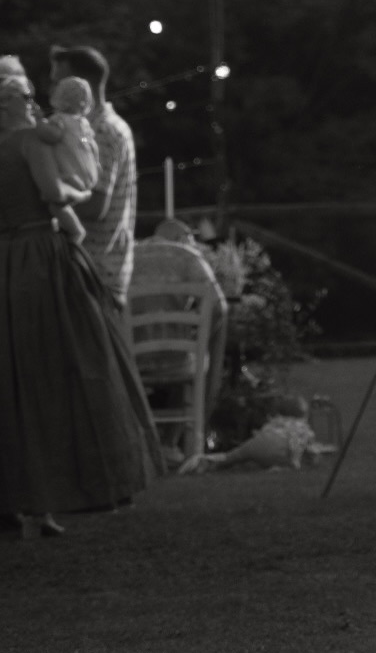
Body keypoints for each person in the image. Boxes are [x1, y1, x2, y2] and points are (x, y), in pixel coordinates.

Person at [0, 68, 162, 538]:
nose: (33, 103)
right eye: (26, 96)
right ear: (9, 103)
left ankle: (10, 503)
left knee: (9, 380)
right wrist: (81, 193)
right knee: (55, 375)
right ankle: (47, 500)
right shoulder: (29, 142)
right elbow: (53, 195)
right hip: (39, 258)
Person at [132, 217, 229, 459]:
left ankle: (141, 443)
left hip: (131, 361)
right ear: (180, 238)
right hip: (178, 360)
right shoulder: (187, 256)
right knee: (205, 347)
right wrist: (196, 330)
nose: (195, 244)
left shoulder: (127, 255)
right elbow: (218, 308)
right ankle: (179, 439)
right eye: (191, 239)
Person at [49, 44, 136, 311]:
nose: (53, 91)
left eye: (58, 82)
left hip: (95, 272)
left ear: (82, 84)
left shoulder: (102, 131)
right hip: (90, 269)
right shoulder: (97, 128)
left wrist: (45, 198)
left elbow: (97, 206)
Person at [33, 75, 100, 244]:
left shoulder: (59, 120)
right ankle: (64, 226)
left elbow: (52, 136)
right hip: (89, 177)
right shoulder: (83, 123)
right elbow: (91, 146)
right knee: (64, 205)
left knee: (54, 203)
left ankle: (75, 231)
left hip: (71, 176)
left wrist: (38, 122)